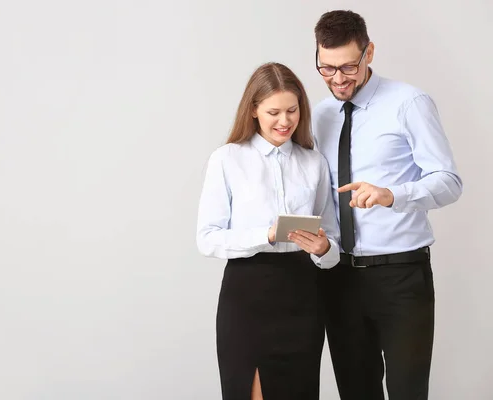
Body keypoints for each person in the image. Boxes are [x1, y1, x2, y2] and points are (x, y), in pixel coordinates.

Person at [311, 10, 463, 400]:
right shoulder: (320, 114)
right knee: (356, 391)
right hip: (339, 278)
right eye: (326, 68)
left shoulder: (409, 103)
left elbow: (449, 182)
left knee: (407, 391)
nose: (338, 79)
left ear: (369, 53)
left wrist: (393, 195)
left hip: (400, 275)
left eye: (348, 66)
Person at [196, 62, 340, 400]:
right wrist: (267, 235)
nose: (285, 121)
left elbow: (332, 243)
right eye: (274, 112)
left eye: (292, 110)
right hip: (248, 296)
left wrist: (322, 249)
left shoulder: (313, 162)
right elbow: (207, 238)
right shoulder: (227, 159)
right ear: (254, 111)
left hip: (303, 295)